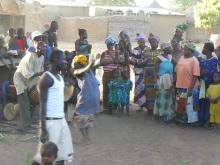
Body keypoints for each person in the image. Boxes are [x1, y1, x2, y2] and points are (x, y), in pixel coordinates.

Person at [36, 49, 74, 165]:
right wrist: (43, 129)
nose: (65, 62)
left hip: (61, 120)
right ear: (54, 60)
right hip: (50, 123)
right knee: (48, 158)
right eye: (63, 59)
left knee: (62, 155)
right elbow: (42, 104)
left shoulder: (60, 77)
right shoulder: (46, 78)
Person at [13, 31, 45, 131]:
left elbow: (40, 71)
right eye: (40, 47)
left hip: (30, 81)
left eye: (43, 47)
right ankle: (24, 126)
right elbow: (27, 73)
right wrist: (40, 74)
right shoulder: (30, 56)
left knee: (32, 102)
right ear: (36, 47)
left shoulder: (42, 57)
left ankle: (27, 123)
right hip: (20, 79)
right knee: (24, 103)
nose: (42, 48)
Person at [71, 54, 100, 143]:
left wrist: (95, 60)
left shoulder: (79, 72)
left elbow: (94, 65)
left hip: (85, 98)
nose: (74, 65)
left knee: (77, 118)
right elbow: (91, 66)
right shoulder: (87, 71)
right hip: (94, 97)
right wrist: (91, 62)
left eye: (75, 63)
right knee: (86, 119)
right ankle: (87, 138)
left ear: (80, 64)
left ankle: (85, 138)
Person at [175, 42, 200, 124]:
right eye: (184, 49)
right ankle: (181, 119)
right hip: (179, 85)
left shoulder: (194, 60)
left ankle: (190, 121)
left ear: (190, 50)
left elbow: (195, 75)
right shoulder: (181, 58)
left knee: (189, 104)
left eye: (186, 49)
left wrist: (190, 89)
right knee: (180, 102)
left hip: (188, 87)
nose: (184, 50)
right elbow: (177, 70)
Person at [130, 34, 155, 112]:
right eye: (140, 41)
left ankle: (147, 105)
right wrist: (139, 62)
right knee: (138, 88)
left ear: (144, 41)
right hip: (138, 71)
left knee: (146, 88)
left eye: (142, 41)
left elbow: (149, 60)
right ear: (138, 42)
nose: (141, 42)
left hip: (146, 72)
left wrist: (140, 62)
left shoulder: (148, 49)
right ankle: (140, 105)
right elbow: (133, 60)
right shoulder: (135, 49)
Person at [199, 41, 219, 126]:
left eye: (204, 47)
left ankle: (208, 121)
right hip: (202, 85)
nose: (203, 49)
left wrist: (206, 72)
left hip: (211, 86)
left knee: (209, 103)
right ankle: (202, 120)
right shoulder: (203, 60)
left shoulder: (214, 60)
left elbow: (215, 73)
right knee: (202, 102)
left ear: (208, 49)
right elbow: (199, 72)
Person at [154, 43, 175, 122]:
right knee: (161, 96)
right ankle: (160, 114)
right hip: (162, 79)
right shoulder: (159, 58)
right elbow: (155, 70)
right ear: (164, 49)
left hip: (169, 79)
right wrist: (156, 81)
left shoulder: (171, 57)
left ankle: (168, 114)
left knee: (169, 97)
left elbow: (176, 65)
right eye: (169, 48)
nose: (171, 49)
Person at [101, 36, 118, 112]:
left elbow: (117, 62)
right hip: (106, 74)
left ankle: (113, 107)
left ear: (113, 44)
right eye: (108, 44)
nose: (109, 45)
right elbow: (101, 63)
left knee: (113, 90)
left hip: (114, 74)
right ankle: (105, 107)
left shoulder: (116, 53)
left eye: (111, 44)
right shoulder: (103, 53)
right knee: (106, 90)